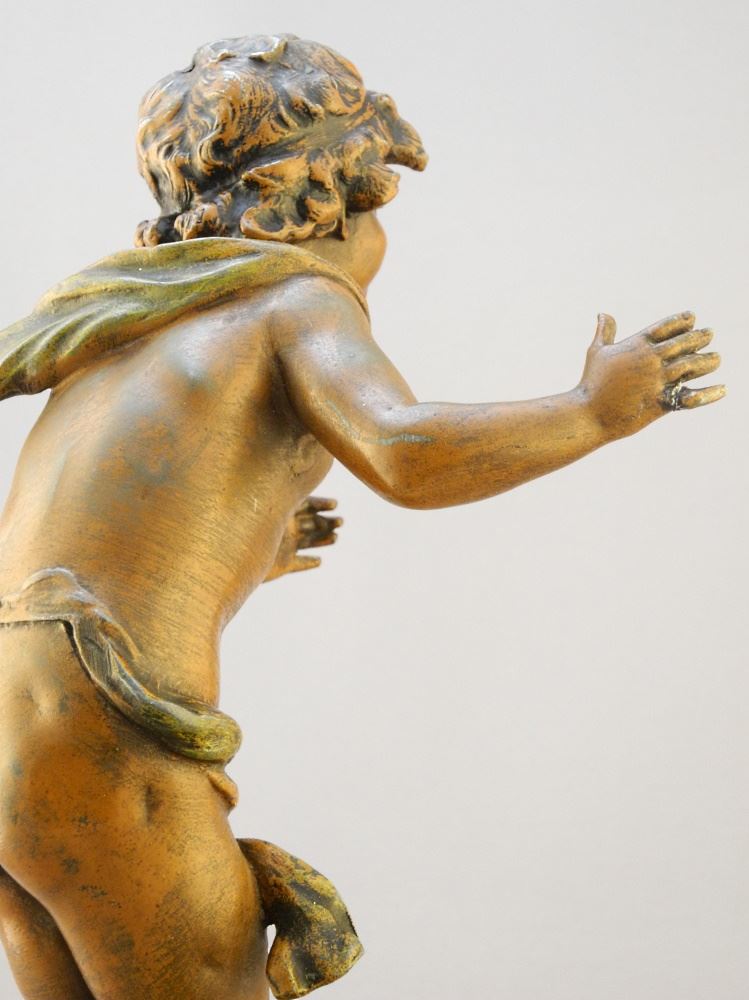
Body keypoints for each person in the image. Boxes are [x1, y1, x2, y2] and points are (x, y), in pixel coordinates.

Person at [0, 32, 724, 1000]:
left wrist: (243, 546)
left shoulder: (122, 325)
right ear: (325, 203)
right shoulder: (292, 300)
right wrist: (591, 411)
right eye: (374, 203)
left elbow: (95, 525)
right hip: (95, 717)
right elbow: (402, 452)